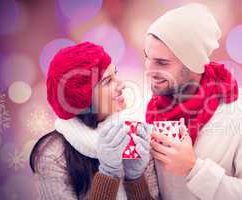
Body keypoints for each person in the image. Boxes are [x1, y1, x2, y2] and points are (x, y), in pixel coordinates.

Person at [145, 3, 242, 200]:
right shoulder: (148, 111)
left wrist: (194, 169)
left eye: (162, 62)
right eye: (146, 57)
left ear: (193, 63)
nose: (149, 70)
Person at [29, 42, 157, 199]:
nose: (122, 84)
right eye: (108, 81)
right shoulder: (52, 156)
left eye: (116, 73)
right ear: (83, 99)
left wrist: (135, 177)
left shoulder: (133, 132)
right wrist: (108, 174)